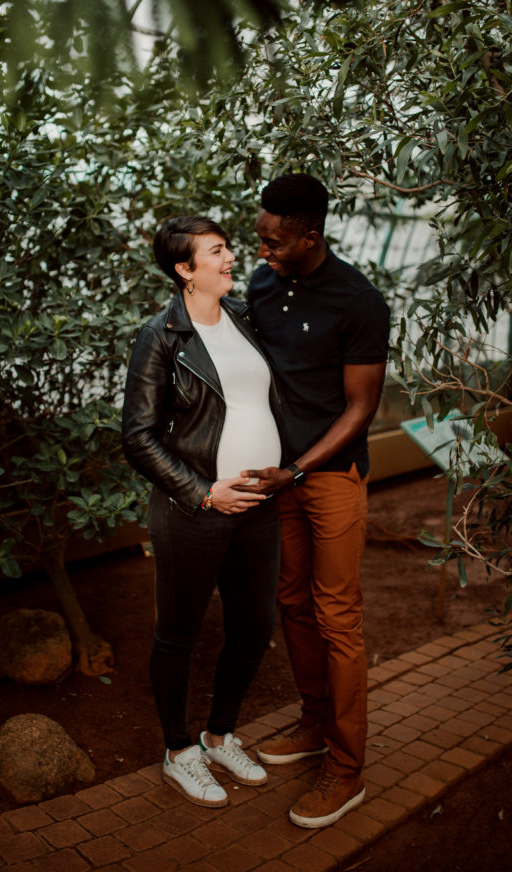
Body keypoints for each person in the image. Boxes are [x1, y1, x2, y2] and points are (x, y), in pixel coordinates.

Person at [242, 173, 390, 830]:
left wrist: (298, 470)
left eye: (275, 242)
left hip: (326, 475)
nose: (264, 253)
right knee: (291, 602)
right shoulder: (262, 284)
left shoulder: (358, 302)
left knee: (336, 617)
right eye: (259, 240)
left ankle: (346, 766)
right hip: (277, 475)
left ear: (310, 234)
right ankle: (311, 722)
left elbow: (360, 409)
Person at [122, 214, 283, 810]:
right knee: (178, 636)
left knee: (253, 628)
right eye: (216, 252)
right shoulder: (161, 334)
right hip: (194, 509)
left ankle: (220, 736)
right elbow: (138, 436)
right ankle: (179, 751)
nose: (230, 257)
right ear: (185, 269)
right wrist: (203, 492)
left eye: (226, 248)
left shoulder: (244, 317)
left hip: (261, 506)